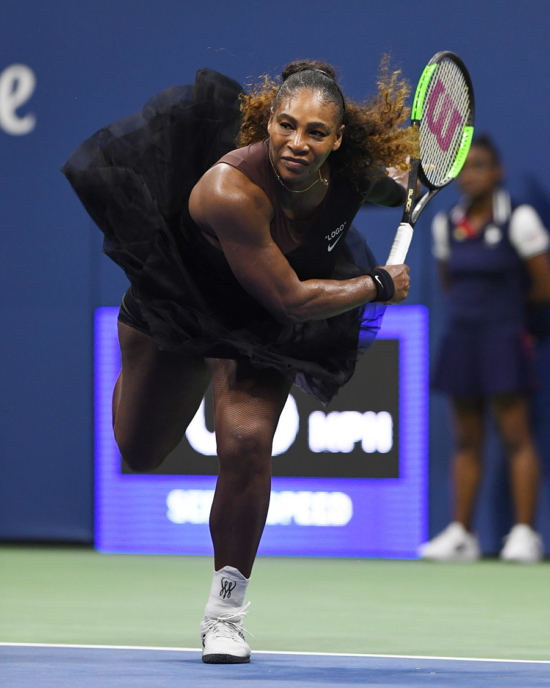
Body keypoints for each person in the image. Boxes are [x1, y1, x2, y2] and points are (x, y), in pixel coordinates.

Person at [63, 59, 416, 663]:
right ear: (267, 122)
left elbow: (386, 188)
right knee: (139, 452)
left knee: (249, 438)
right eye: (286, 125)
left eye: (315, 133)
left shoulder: (350, 173)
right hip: (184, 307)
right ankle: (163, 368)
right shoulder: (231, 190)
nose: (297, 143)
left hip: (262, 327)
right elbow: (293, 297)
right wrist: (378, 284)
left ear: (338, 141)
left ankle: (225, 612)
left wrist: (406, 180)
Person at [420, 135, 550, 564]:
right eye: (464, 168)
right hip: (461, 340)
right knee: (465, 440)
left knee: (515, 437)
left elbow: (544, 285)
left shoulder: (520, 218)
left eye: (480, 166)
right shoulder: (446, 223)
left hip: (505, 340)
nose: (471, 175)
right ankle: (462, 534)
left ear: (497, 172)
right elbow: (448, 283)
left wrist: (507, 317)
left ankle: (525, 534)